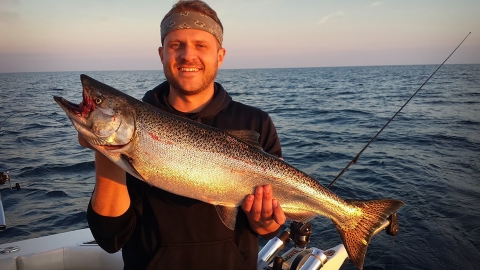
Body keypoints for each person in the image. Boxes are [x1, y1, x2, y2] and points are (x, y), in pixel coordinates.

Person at [80, 1, 286, 269]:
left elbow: (268, 228)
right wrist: (104, 150)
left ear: (220, 55)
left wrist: (265, 221)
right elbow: (110, 238)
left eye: (201, 45)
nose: (188, 55)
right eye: (176, 45)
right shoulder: (135, 127)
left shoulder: (256, 122)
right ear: (161, 53)